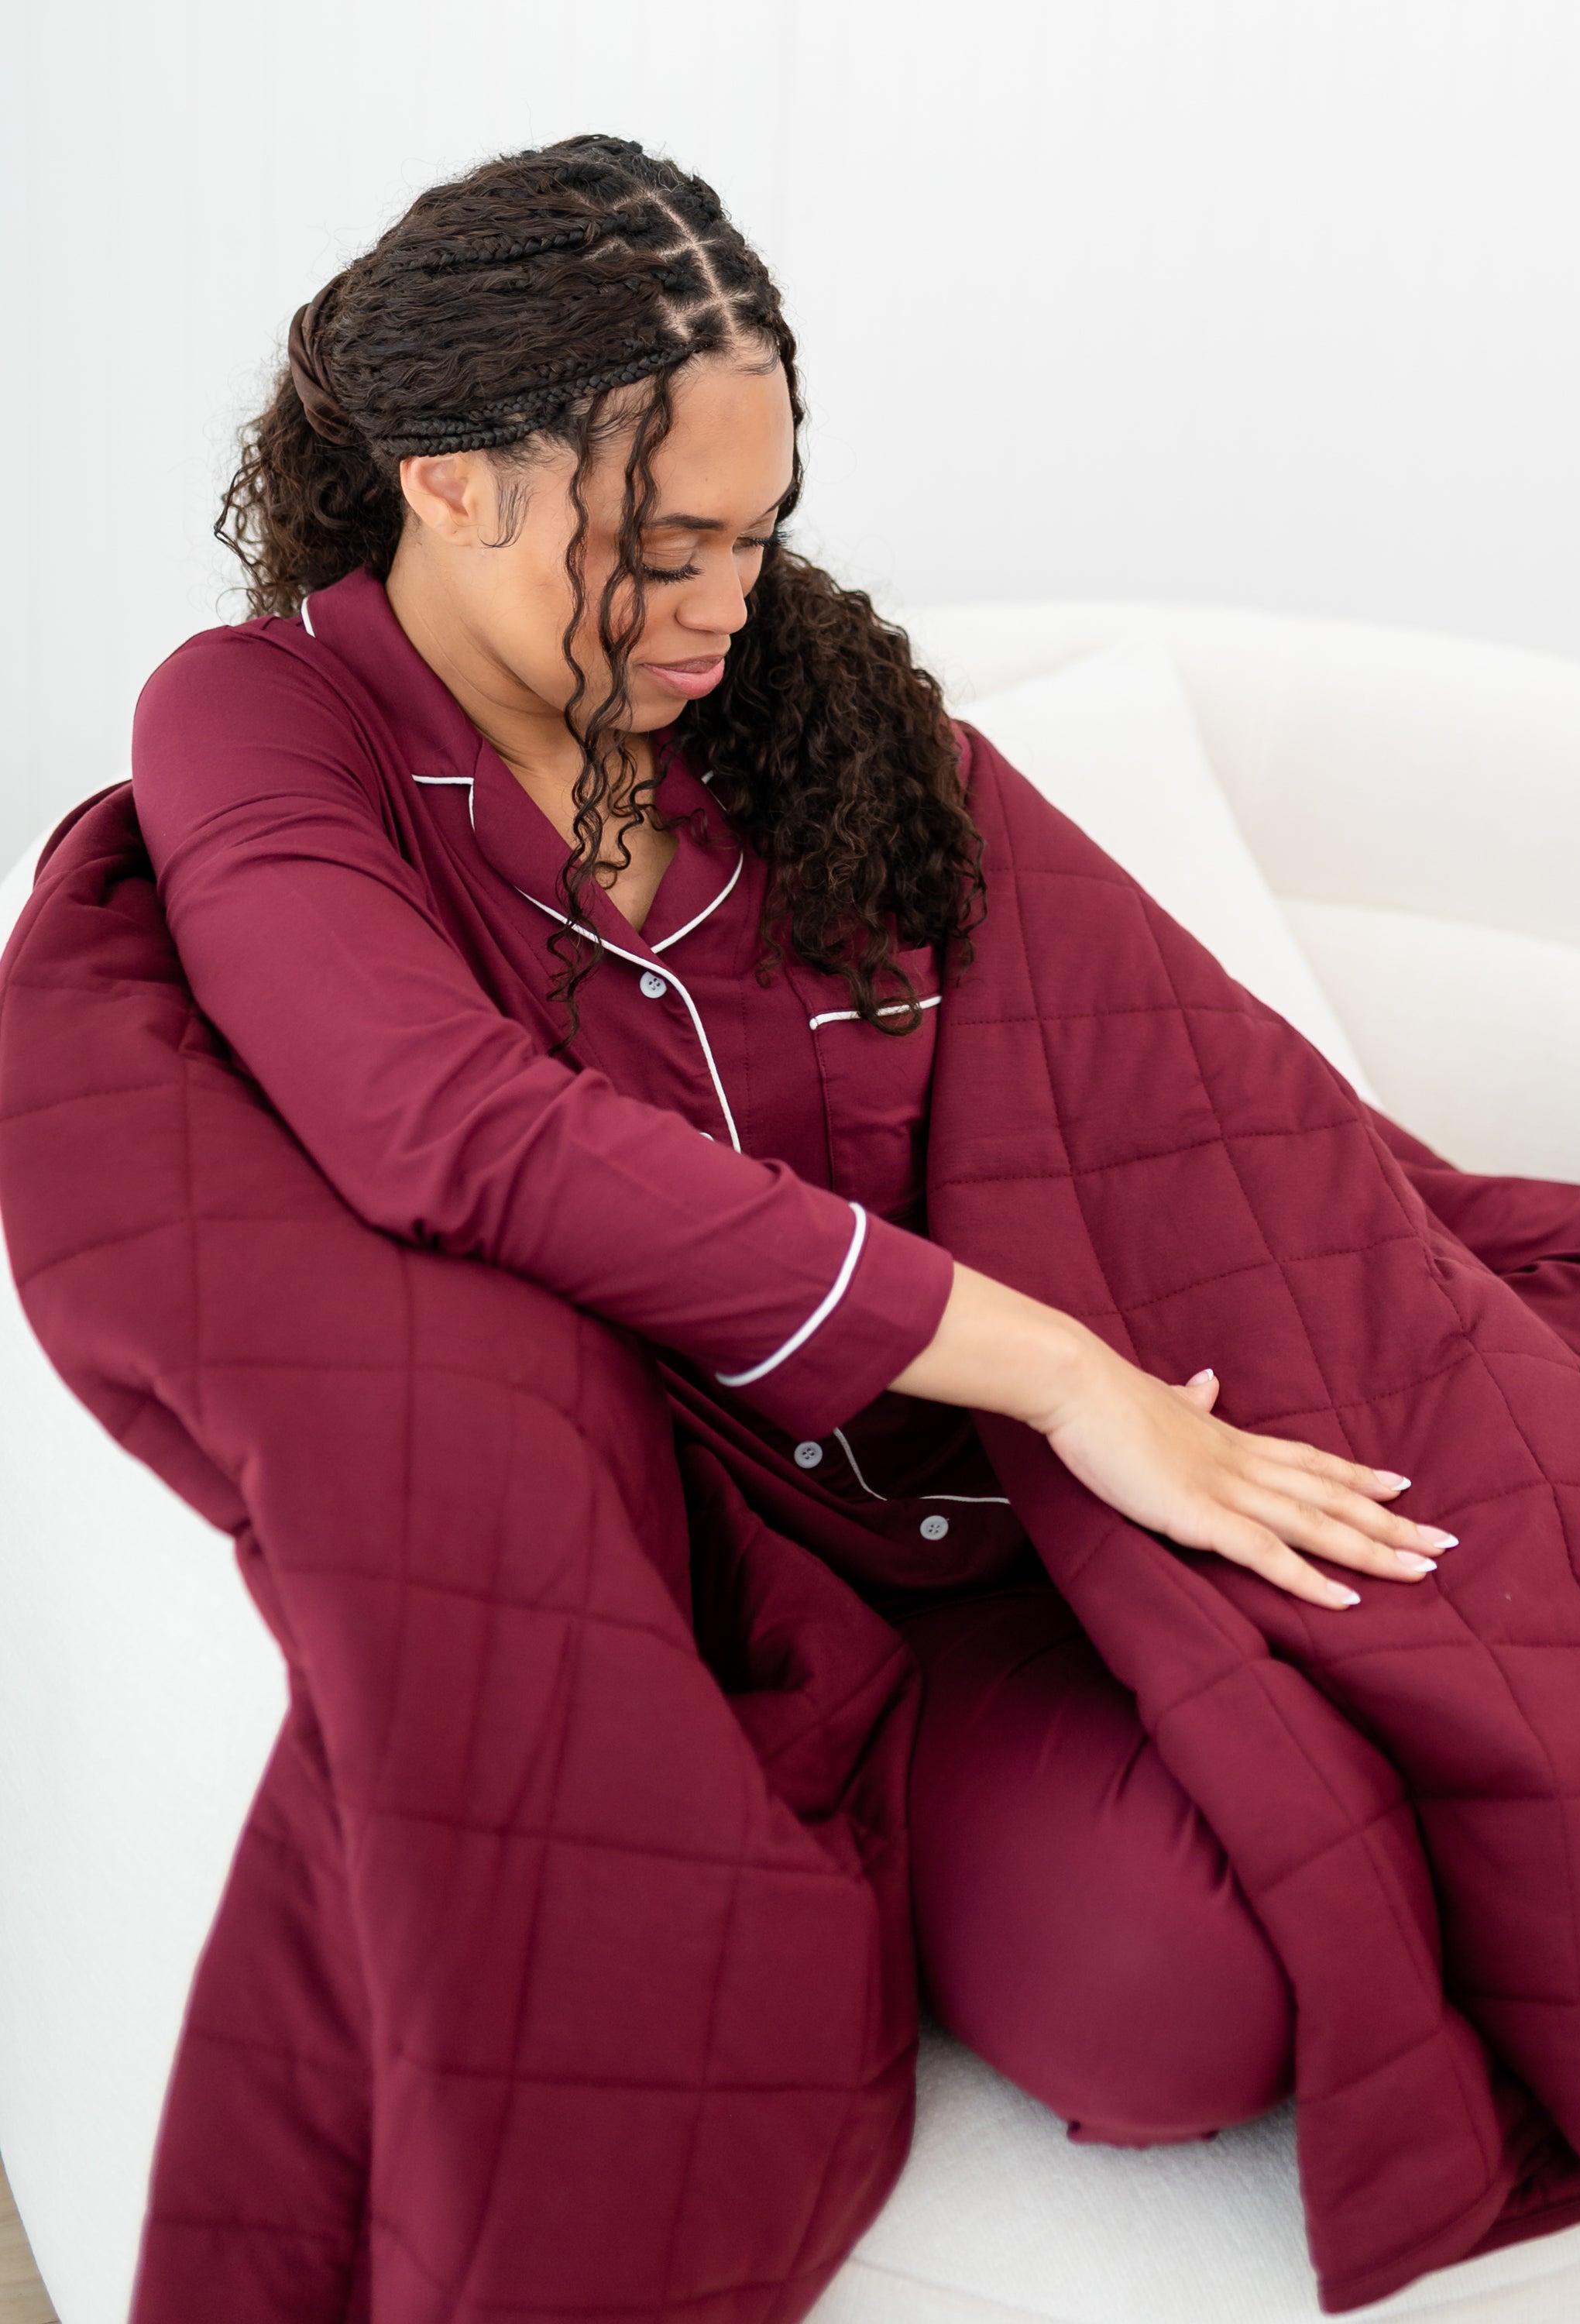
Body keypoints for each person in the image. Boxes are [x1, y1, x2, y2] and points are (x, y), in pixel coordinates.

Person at [132, 132, 1459, 2149]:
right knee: (1191, 2002)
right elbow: (445, 1128)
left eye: (759, 539)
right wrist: (1060, 1369)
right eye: (667, 551)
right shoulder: (261, 726)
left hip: (1054, 1514)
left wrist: (1163, 1376)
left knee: (1542, 1732)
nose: (727, 610)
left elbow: (1171, 1088)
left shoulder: (810, 714)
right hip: (769, 1611)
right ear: (451, 482)